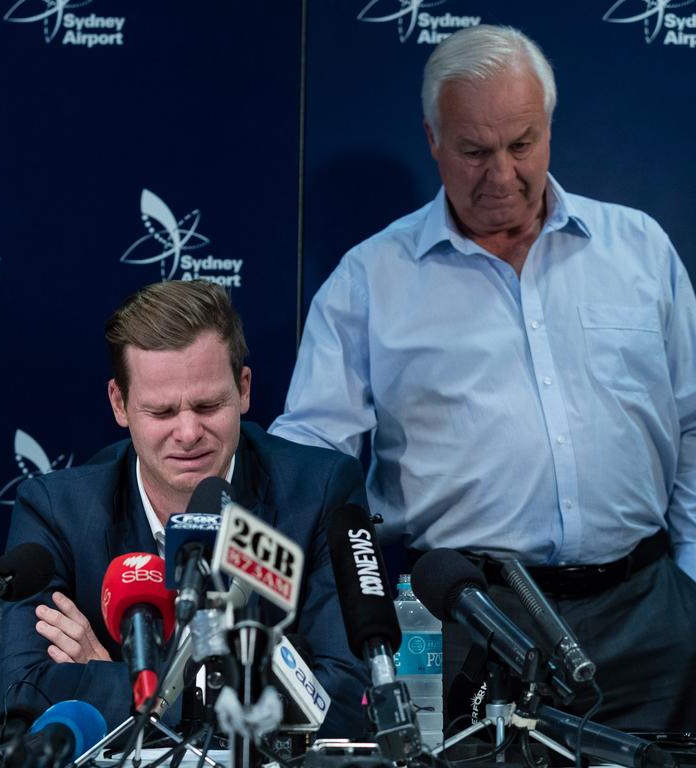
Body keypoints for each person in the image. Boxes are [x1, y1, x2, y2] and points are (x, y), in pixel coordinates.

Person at [270, 25, 696, 730]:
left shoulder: (640, 249)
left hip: (648, 620)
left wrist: (688, 584)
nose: (502, 174)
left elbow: (690, 425)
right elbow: (311, 469)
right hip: (467, 627)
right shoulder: (369, 282)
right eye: (473, 151)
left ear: (550, 129)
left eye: (522, 144)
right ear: (434, 140)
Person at [0, 279, 370, 737]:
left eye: (208, 405)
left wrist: (126, 680)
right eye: (163, 412)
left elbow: (346, 699)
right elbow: (21, 694)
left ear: (244, 389)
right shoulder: (57, 511)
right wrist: (225, 692)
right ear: (120, 403)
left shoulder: (322, 491)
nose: (188, 433)